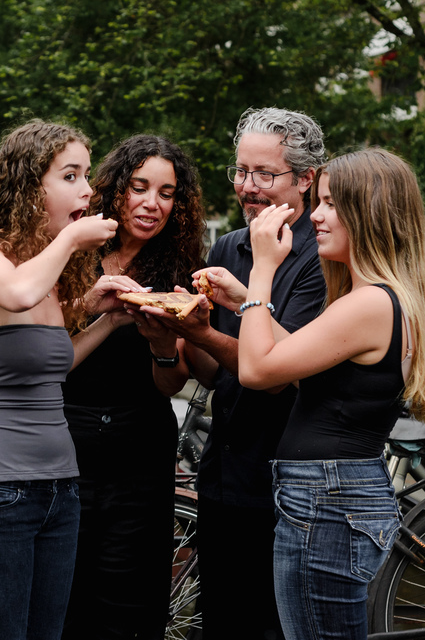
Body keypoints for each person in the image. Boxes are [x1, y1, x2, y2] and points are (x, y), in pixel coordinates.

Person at [213, 147, 425, 640]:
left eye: (329, 203)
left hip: (328, 498)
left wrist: (261, 270)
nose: (317, 216)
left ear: (367, 213)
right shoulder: (380, 297)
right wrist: (246, 302)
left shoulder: (368, 303)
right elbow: (299, 365)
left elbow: (258, 370)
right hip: (334, 493)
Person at [0, 120, 125, 640]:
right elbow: (16, 293)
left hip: (60, 486)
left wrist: (108, 319)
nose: (88, 189)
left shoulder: (50, 274)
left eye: (87, 175)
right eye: (70, 175)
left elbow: (52, 366)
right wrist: (70, 240)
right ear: (29, 183)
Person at [139, 107, 328, 640]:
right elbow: (212, 371)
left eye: (264, 175)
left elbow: (272, 370)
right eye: (241, 172)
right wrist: (175, 331)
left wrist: (203, 334)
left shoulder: (321, 257)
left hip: (286, 477)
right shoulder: (228, 246)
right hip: (224, 471)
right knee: (219, 621)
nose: (248, 188)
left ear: (306, 179)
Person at [60, 135, 206, 640]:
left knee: (130, 600)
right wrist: (89, 306)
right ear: (116, 188)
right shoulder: (73, 248)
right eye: (139, 187)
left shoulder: (179, 270)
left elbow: (170, 382)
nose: (151, 203)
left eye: (166, 193)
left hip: (140, 446)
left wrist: (164, 343)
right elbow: (35, 343)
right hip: (65, 439)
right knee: (63, 595)